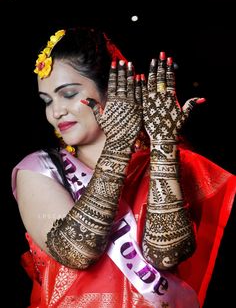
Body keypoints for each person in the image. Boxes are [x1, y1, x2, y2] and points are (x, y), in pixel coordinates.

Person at [11, 26, 235, 308]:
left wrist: (163, 143)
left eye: (68, 94)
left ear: (114, 90)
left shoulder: (162, 162)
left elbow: (166, 254)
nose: (56, 112)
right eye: (47, 101)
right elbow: (77, 252)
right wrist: (117, 147)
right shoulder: (41, 169)